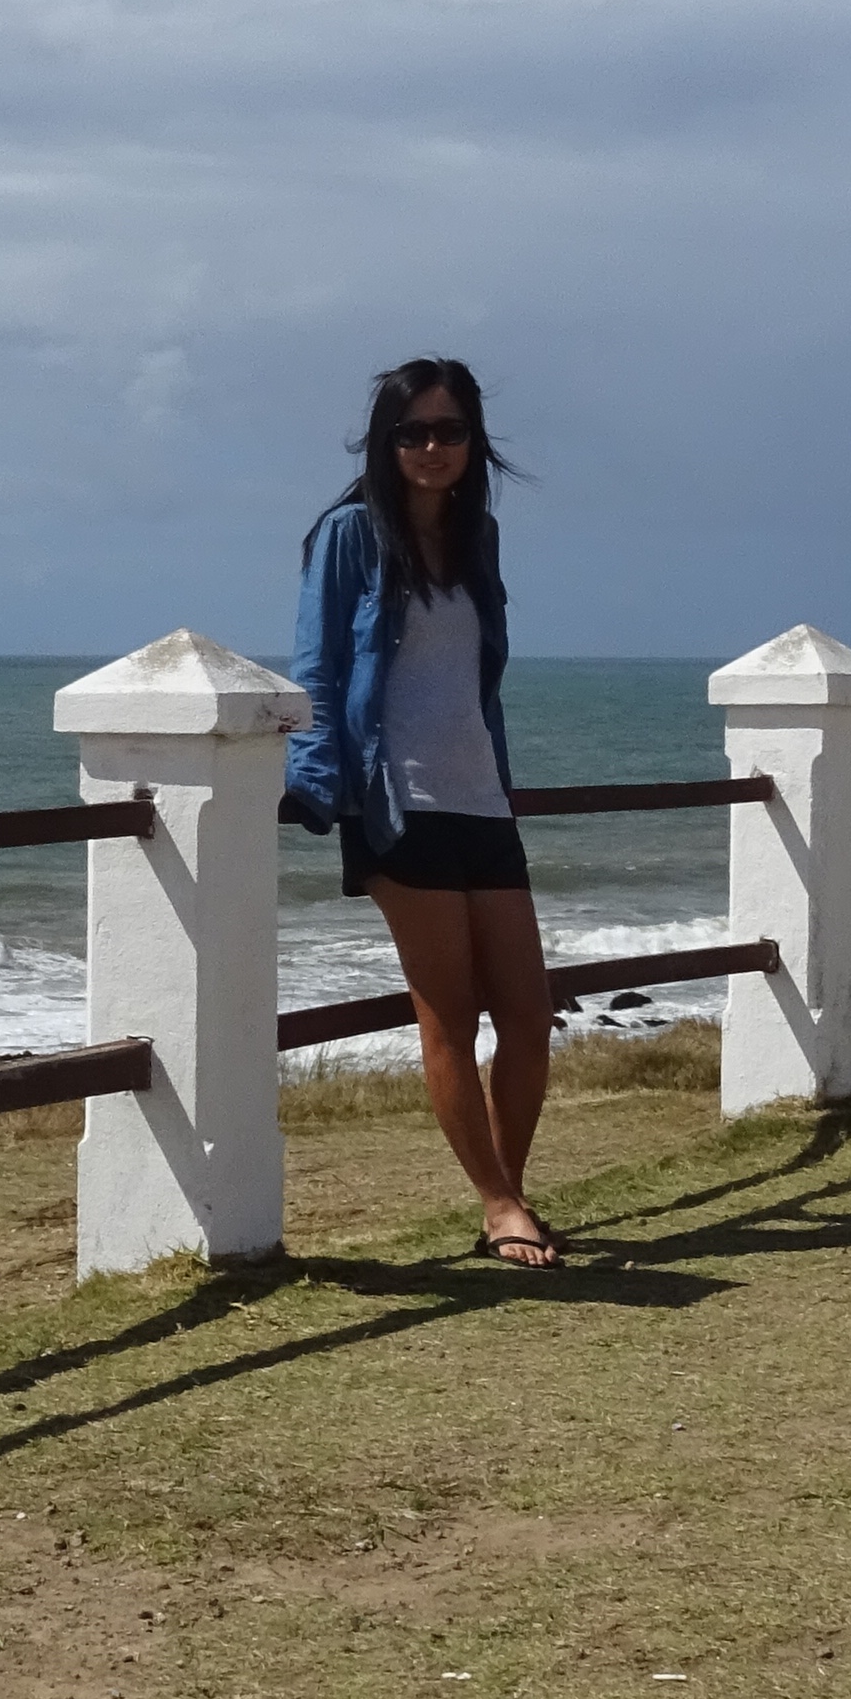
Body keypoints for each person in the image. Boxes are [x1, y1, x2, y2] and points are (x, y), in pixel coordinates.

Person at [282, 357, 565, 1266]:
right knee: (449, 1014)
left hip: (482, 797)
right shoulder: (349, 535)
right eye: (412, 432)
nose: (431, 447)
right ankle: (499, 1202)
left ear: (474, 438)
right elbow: (317, 669)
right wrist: (318, 785)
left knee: (528, 1013)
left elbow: (475, 679)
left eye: (448, 430)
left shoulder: (477, 535)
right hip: (395, 801)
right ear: (385, 441)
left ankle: (506, 1194)